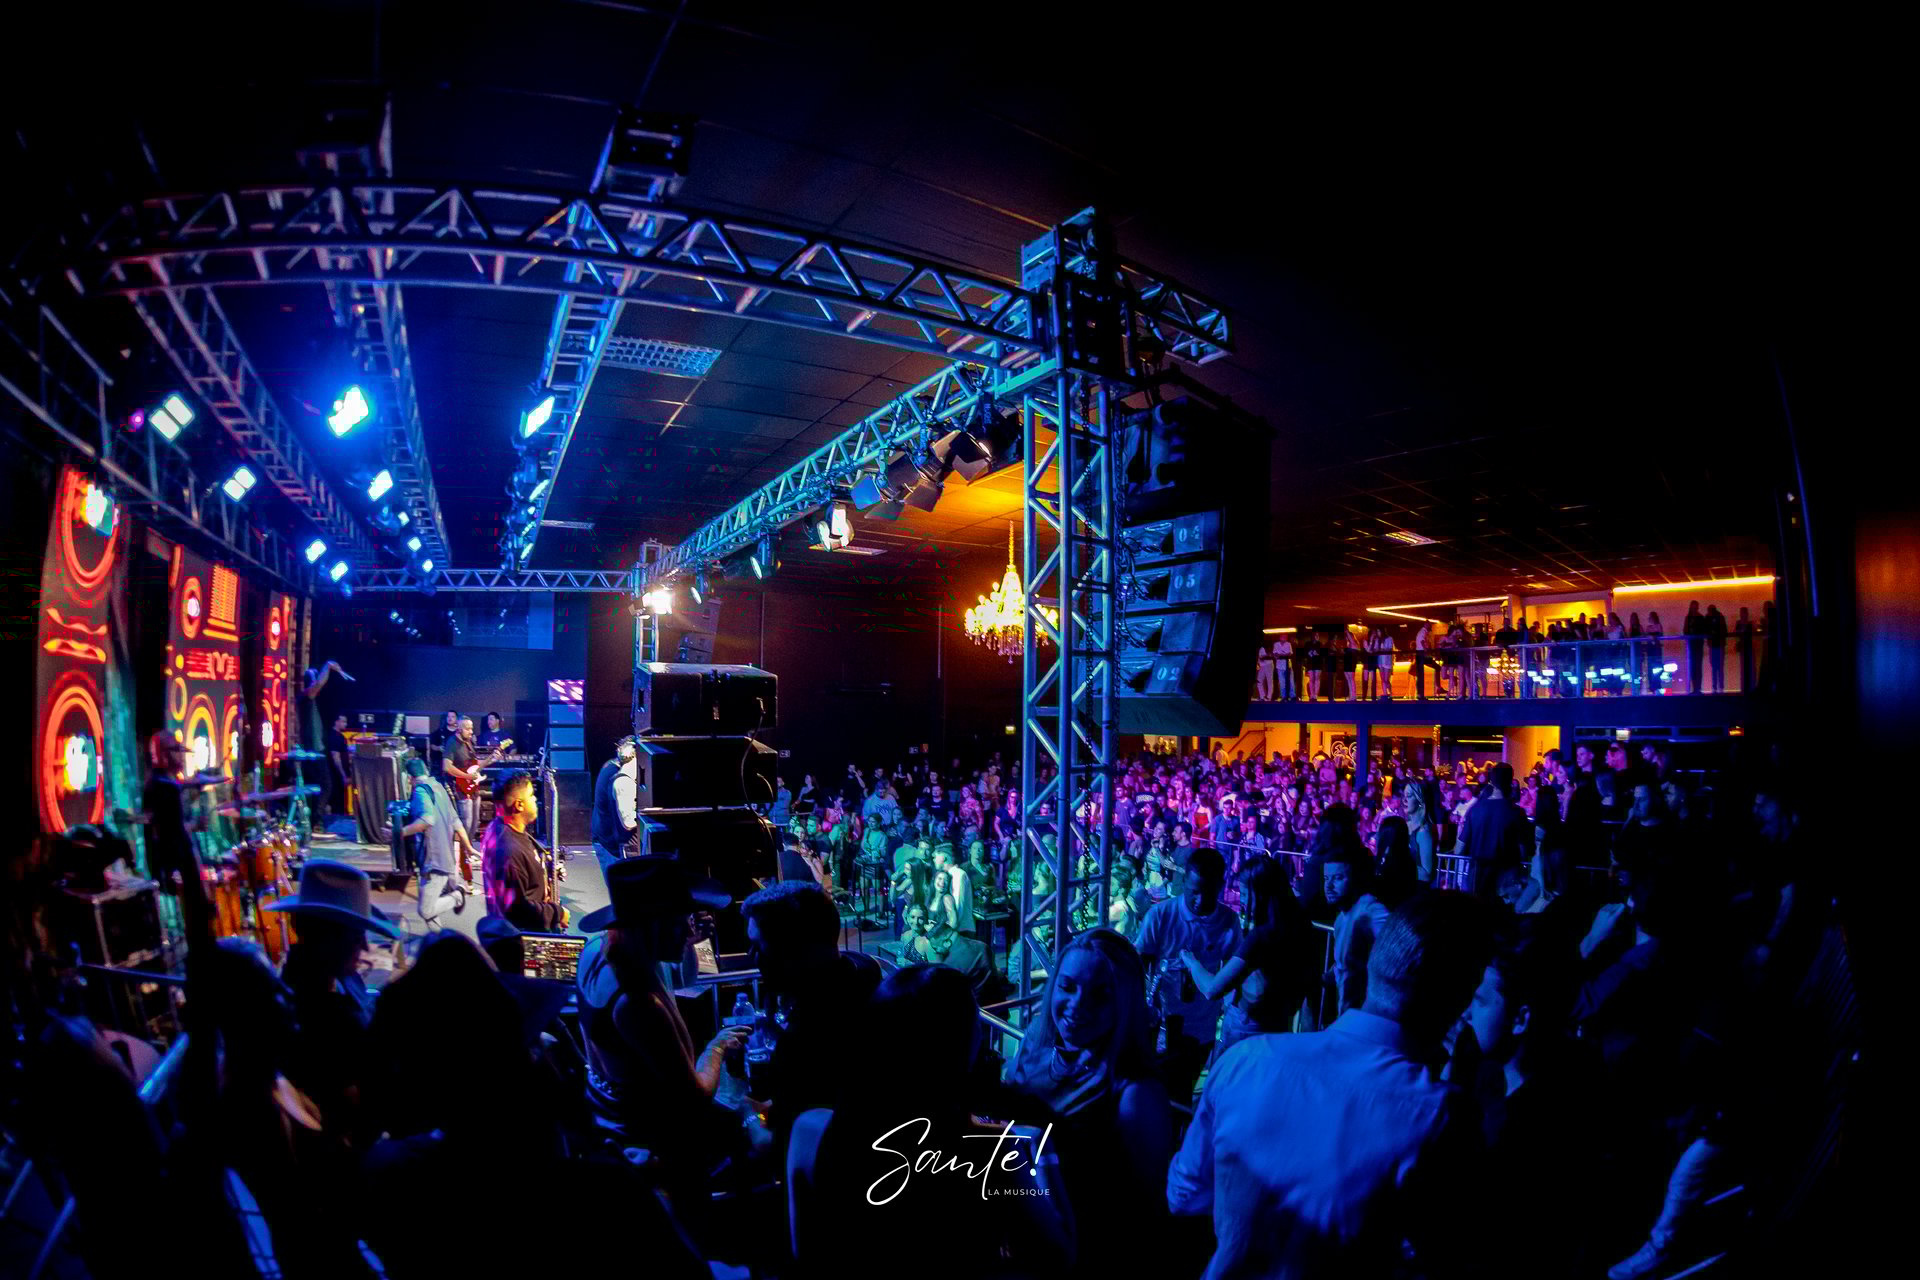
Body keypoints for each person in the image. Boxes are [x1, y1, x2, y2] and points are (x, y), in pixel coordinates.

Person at [1169, 892, 1493, 1278]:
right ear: (1461, 999)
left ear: (1375, 961)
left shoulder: (1247, 1060)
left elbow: (1184, 1195)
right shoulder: (1441, 1117)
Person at [788, 966, 1070, 1274]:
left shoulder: (810, 1129)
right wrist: (1044, 1164)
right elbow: (1059, 1254)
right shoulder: (995, 1156)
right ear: (962, 1046)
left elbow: (805, 1253)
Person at [576, 858, 761, 1183]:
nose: (690, 928)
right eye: (681, 921)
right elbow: (695, 1095)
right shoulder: (637, 1003)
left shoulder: (603, 951)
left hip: (608, 1113)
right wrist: (716, 1048)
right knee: (749, 1119)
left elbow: (687, 981)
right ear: (654, 925)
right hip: (650, 1135)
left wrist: (692, 944)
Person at [1004, 928, 1174, 1277]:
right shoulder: (1035, 1053)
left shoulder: (1134, 1092)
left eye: (1100, 995)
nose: (1077, 1005)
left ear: (1125, 1004)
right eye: (1067, 987)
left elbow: (1145, 1209)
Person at [263, 860, 401, 1146]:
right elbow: (357, 1114)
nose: (364, 947)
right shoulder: (315, 1014)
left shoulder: (340, 979)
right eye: (356, 935)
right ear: (326, 938)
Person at [1134, 846, 1240, 1100]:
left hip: (1201, 1026)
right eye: (1194, 892)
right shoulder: (1161, 915)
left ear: (1221, 885)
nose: (1200, 900)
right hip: (1161, 1024)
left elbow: (1234, 973)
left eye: (1209, 892)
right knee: (1154, 1092)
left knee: (1181, 1093)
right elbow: (1139, 964)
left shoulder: (1228, 921)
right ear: (1184, 882)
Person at [1185, 859, 1317, 1056]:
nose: (1242, 901)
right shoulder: (1301, 926)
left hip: (1247, 1027)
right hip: (1278, 1026)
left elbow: (1213, 989)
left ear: (1262, 894)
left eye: (1245, 893)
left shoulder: (1262, 937)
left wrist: (1191, 962)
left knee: (1228, 1083)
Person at [397, 757, 474, 938]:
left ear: (409, 777)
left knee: (425, 910)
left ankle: (458, 897)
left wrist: (399, 832)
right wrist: (468, 846)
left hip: (434, 860)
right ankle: (443, 945)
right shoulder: (438, 786)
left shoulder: (420, 792)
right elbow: (456, 821)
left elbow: (427, 819)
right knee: (430, 912)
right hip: (442, 857)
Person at [481, 772, 563, 933]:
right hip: (522, 943)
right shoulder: (508, 850)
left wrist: (546, 867)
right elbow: (517, 910)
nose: (535, 800)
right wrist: (557, 914)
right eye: (531, 795)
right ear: (519, 805)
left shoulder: (507, 829)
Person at [1325, 848, 1392, 1016]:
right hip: (1350, 1016)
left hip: (1369, 1019)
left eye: (1338, 878)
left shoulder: (1369, 910)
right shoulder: (1341, 917)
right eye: (1326, 878)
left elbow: (1397, 950)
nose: (1329, 886)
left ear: (1356, 879)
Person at [1455, 761, 1531, 899]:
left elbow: (1459, 849)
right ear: (1510, 782)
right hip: (1505, 878)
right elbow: (1523, 850)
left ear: (1491, 781)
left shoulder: (1475, 810)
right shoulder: (1517, 813)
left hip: (1477, 877)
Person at [590, 736, 640, 877]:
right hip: (608, 843)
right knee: (622, 894)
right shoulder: (620, 776)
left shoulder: (612, 767)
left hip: (605, 839)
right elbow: (627, 821)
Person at [441, 716, 483, 836]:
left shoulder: (469, 742)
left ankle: (468, 851)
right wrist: (466, 776)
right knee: (466, 822)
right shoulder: (451, 743)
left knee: (475, 822)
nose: (471, 731)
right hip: (460, 789)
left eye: (472, 728)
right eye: (467, 729)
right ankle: (462, 853)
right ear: (458, 729)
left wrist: (491, 759)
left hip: (473, 788)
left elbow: (474, 765)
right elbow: (447, 767)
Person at [1682, 601, 1706, 693]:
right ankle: (1694, 687)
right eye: (1693, 606)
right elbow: (1685, 630)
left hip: (1698, 644)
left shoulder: (1700, 618)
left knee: (1698, 666)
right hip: (1691, 644)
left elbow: (1703, 629)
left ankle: (1698, 688)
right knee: (1692, 666)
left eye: (1695, 606)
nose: (1694, 608)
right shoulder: (1688, 618)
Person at [1705, 603, 1728, 692]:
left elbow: (1706, 630)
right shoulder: (1720, 617)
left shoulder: (1710, 618)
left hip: (1715, 645)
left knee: (1715, 667)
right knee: (1719, 667)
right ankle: (1720, 687)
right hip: (1717, 645)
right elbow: (1724, 630)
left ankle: (1715, 687)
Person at [1734, 605, 1757, 692]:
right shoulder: (1739, 623)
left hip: (1748, 646)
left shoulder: (1750, 623)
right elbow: (1735, 634)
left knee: (1750, 666)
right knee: (1744, 666)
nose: (1742, 615)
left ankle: (1751, 686)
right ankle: (1745, 687)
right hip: (1743, 646)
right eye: (1741, 613)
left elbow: (1754, 633)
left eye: (1743, 613)